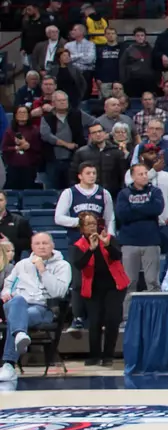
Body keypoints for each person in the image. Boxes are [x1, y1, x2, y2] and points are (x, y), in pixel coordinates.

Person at [0, 231, 71, 381]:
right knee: (17, 302)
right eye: (37, 244)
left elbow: (58, 292)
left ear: (52, 245)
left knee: (17, 318)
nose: (41, 247)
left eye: (45, 243)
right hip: (16, 304)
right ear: (32, 246)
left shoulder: (62, 266)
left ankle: (9, 364)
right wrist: (5, 293)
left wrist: (43, 271)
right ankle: (20, 335)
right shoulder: (22, 265)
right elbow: (8, 285)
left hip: (43, 308)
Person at [68, 212, 126, 366]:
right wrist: (91, 250)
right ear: (82, 228)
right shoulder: (78, 246)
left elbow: (117, 256)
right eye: (88, 224)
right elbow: (79, 264)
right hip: (93, 288)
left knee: (112, 320)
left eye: (94, 223)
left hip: (114, 286)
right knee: (95, 322)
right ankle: (94, 355)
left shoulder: (108, 239)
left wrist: (107, 245)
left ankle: (108, 356)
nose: (92, 226)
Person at [115, 163, 166, 293]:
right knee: (129, 282)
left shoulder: (155, 191)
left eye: (145, 173)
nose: (144, 176)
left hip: (151, 242)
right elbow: (122, 215)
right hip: (129, 243)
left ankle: (155, 313)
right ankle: (127, 314)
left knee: (153, 282)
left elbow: (157, 209)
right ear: (132, 177)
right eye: (140, 174)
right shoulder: (124, 194)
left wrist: (134, 209)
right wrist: (145, 210)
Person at [55, 161, 116, 232]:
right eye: (88, 173)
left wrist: (110, 237)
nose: (92, 175)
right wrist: (81, 222)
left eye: (94, 173)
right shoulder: (68, 193)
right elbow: (58, 218)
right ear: (80, 176)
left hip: (97, 238)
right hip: (76, 238)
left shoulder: (104, 193)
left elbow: (110, 219)